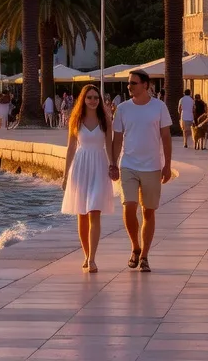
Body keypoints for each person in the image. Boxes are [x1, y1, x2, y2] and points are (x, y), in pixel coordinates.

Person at [108, 70, 173, 273]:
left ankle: (144, 255)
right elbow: (117, 139)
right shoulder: (122, 109)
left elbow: (166, 137)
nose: (129, 87)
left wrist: (167, 164)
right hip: (128, 165)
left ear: (146, 85)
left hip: (153, 166)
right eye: (129, 83)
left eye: (133, 83)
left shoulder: (159, 107)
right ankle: (135, 247)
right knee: (128, 206)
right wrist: (113, 163)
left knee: (148, 211)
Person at [62, 85, 114, 274]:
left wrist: (113, 164)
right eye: (89, 97)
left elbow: (109, 146)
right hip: (80, 167)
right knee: (82, 214)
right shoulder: (75, 120)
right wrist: (65, 175)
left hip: (99, 166)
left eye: (96, 98)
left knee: (94, 211)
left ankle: (92, 259)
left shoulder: (105, 120)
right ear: (83, 99)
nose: (93, 101)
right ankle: (86, 255)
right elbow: (70, 148)